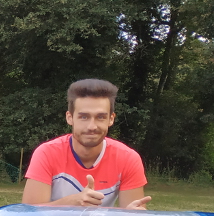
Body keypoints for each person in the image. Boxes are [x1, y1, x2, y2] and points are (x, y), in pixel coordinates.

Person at [22, 79, 151, 209]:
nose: (92, 126)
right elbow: (29, 213)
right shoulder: (46, 153)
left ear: (111, 119)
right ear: (69, 118)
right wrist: (73, 202)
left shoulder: (128, 158)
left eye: (100, 117)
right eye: (84, 117)